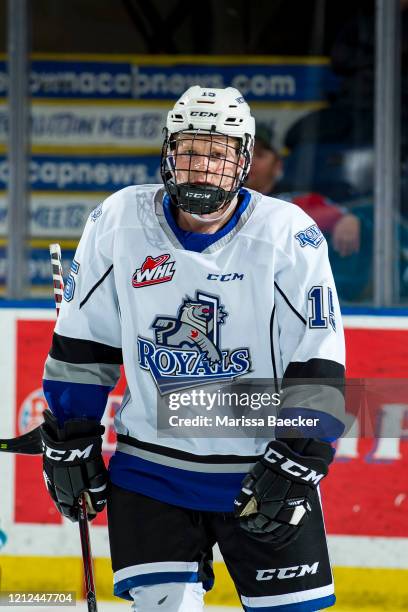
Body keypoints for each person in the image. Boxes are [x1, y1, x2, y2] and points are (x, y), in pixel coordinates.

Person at [40, 86, 345, 612]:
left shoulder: (288, 234)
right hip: (152, 469)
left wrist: (301, 457)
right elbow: (83, 344)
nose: (203, 167)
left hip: (260, 468)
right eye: (190, 150)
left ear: (244, 161)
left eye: (220, 153)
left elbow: (317, 357)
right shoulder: (118, 221)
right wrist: (71, 435)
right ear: (167, 153)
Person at [245, 124, 361, 258]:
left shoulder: (298, 200)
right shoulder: (222, 202)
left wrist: (348, 219)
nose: (250, 161)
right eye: (245, 152)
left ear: (278, 165)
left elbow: (343, 214)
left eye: (259, 155)